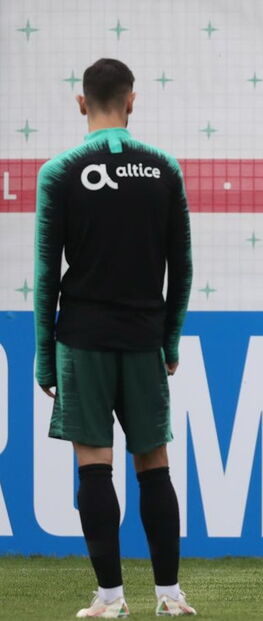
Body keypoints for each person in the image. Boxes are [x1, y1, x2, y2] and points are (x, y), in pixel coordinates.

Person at [33, 58, 195, 617]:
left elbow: (46, 274)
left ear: (83, 102)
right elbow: (183, 265)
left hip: (82, 340)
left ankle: (110, 599)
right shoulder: (164, 169)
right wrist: (170, 341)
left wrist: (44, 358)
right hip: (144, 338)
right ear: (132, 100)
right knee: (154, 464)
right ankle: (170, 597)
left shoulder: (59, 172)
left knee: (93, 466)